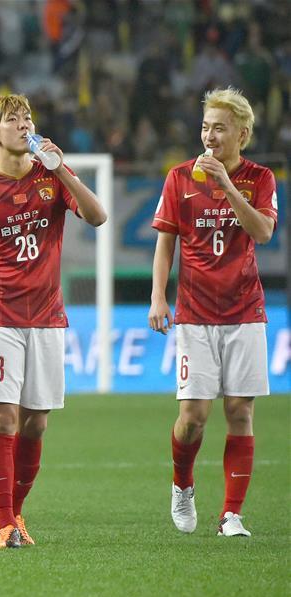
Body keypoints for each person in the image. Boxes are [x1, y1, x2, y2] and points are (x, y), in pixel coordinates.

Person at [0, 94, 107, 550]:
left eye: (28, 117)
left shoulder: (51, 178)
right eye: (14, 120)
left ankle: (17, 513)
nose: (25, 125)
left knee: (36, 424)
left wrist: (62, 168)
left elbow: (97, 216)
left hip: (47, 318)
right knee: (4, 417)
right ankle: (3, 524)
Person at [149, 87, 277, 538]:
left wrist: (226, 186)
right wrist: (158, 296)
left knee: (240, 411)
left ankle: (231, 515)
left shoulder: (260, 179)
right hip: (196, 314)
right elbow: (166, 240)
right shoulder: (179, 177)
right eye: (205, 126)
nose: (209, 136)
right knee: (194, 415)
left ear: (242, 133)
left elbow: (262, 232)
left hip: (245, 311)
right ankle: (182, 483)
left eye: (219, 128)